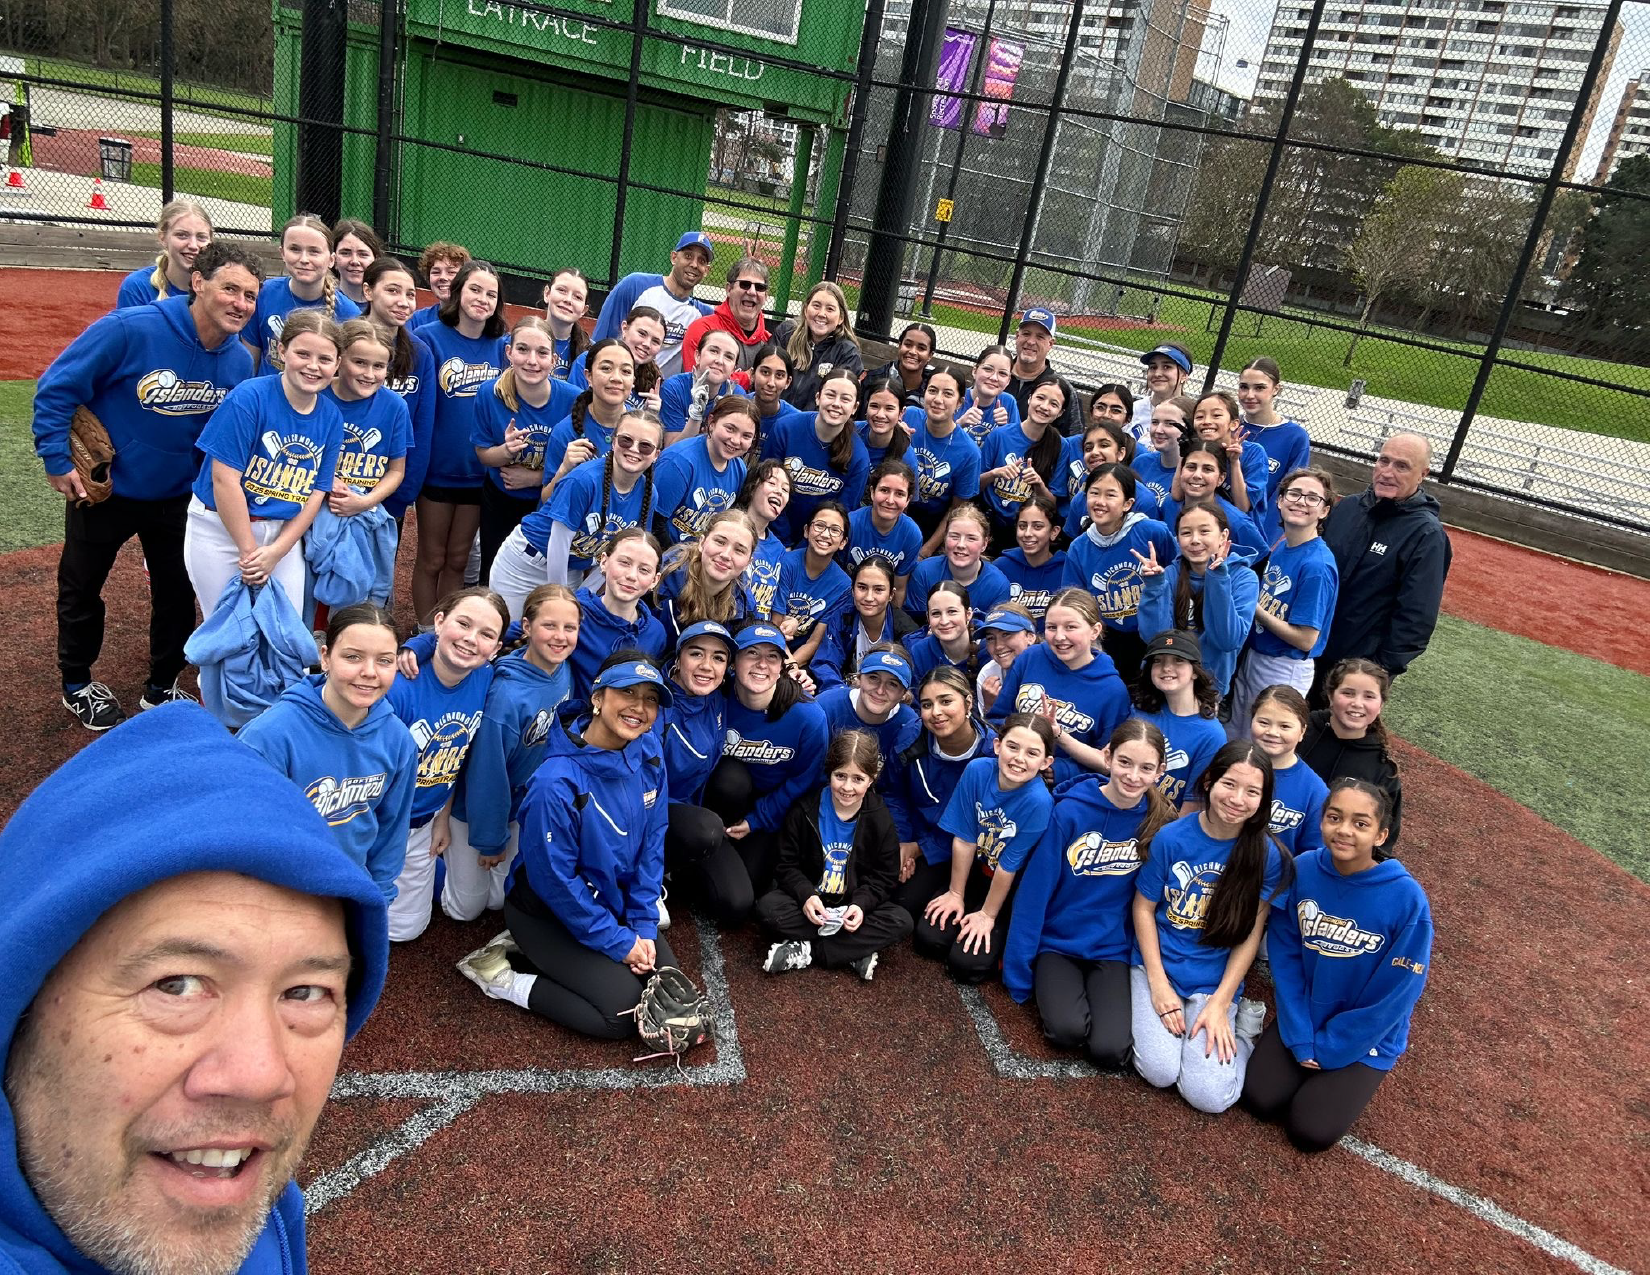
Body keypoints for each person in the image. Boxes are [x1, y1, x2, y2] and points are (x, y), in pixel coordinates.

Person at [0, 703, 389, 1275]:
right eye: (176, 985)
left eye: (306, 992)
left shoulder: (249, 1199)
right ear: (20, 1003)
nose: (260, 1077)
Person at [33, 241, 260, 729]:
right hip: (108, 488)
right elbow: (57, 387)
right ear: (198, 282)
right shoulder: (131, 328)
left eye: (250, 295)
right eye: (230, 289)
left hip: (178, 495)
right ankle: (77, 681)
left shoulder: (239, 362)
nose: (240, 303)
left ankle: (161, 685)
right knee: (82, 585)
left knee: (177, 592)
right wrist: (55, 457)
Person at [455, 655, 677, 1040]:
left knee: (666, 990)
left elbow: (653, 842)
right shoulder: (554, 783)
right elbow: (556, 881)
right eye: (627, 692)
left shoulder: (650, 750)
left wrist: (642, 922)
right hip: (547, 912)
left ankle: (557, 954)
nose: (639, 707)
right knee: (622, 1015)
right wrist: (618, 941)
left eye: (651, 699)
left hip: (610, 900)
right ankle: (499, 976)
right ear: (597, 698)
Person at [1242, 779, 1431, 1151]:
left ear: (1381, 835)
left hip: (1366, 1033)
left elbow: (1396, 993)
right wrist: (1300, 1032)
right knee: (1259, 1099)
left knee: (1309, 1132)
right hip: (1308, 1016)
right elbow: (1286, 958)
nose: (1344, 830)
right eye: (1334, 817)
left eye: (1360, 823)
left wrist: (1333, 1047)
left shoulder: (1407, 898)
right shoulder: (1303, 870)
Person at [1003, 719, 1176, 1068]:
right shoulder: (1069, 811)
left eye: (1146, 768)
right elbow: (1035, 893)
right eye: (1124, 762)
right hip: (1058, 943)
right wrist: (1018, 971)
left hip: (1112, 948)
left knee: (1110, 1051)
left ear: (1160, 772)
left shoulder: (1160, 824)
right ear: (1107, 757)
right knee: (1066, 1031)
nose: (1133, 776)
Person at [1131, 740, 1291, 1113]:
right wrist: (1158, 984)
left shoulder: (1266, 855)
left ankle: (1244, 1033)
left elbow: (1250, 934)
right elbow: (1143, 908)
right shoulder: (1172, 837)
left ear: (1264, 799)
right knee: (1158, 1070)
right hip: (1159, 966)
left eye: (1252, 791)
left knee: (1208, 1097)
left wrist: (1220, 1002)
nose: (1237, 799)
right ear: (1209, 782)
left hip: (1213, 980)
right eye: (1229, 784)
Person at [237, 602, 416, 901]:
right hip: (278, 893)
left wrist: (379, 895)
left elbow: (391, 830)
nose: (369, 672)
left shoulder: (397, 739)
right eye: (353, 657)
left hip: (350, 888)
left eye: (384, 660)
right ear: (325, 657)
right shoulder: (269, 737)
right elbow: (244, 834)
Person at [183, 310, 345, 622]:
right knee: (229, 631)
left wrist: (277, 551)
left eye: (325, 359)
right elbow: (224, 480)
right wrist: (249, 552)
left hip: (281, 534)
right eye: (302, 354)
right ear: (282, 351)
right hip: (220, 529)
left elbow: (317, 491)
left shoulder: (330, 416)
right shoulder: (249, 397)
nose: (313, 366)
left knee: (284, 631)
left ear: (337, 364)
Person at [441, 584, 577, 923]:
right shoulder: (505, 698)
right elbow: (487, 777)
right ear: (527, 627)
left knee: (500, 899)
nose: (560, 636)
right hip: (476, 811)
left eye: (570, 627)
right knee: (466, 911)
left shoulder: (563, 669)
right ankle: (434, 866)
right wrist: (491, 840)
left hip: (521, 805)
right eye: (549, 625)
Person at [383, 587, 507, 942]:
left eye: (486, 634)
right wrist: (417, 644)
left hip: (425, 819)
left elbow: (455, 758)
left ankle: (435, 871)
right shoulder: (398, 685)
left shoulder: (485, 678)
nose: (471, 638)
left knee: (405, 931)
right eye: (463, 624)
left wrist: (442, 817)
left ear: (496, 648)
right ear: (438, 621)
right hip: (380, 821)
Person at [756, 729, 914, 980]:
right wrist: (806, 896)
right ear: (829, 772)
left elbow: (884, 877)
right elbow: (785, 866)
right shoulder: (804, 810)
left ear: (872, 779)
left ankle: (809, 950)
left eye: (858, 779)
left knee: (900, 920)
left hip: (851, 904)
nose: (847, 787)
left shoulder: (880, 817)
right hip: (812, 904)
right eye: (840, 776)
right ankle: (853, 950)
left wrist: (860, 905)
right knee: (768, 908)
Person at [915, 714, 1056, 984]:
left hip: (1008, 886)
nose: (1019, 758)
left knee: (966, 965)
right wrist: (956, 894)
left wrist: (987, 915)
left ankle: (998, 938)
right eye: (1013, 746)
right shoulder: (978, 771)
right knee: (929, 939)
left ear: (1045, 762)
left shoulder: (1039, 801)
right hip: (976, 871)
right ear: (997, 745)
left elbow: (1008, 866)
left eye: (1032, 753)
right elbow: (965, 838)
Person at [1315, 432, 1452, 699]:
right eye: (1383, 461)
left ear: (1422, 475)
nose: (1387, 472)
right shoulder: (1348, 508)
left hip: (1358, 670)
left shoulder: (1426, 535)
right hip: (1309, 649)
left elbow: (1416, 618)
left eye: (1402, 466)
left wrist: (1378, 671)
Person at [410, 259, 509, 624]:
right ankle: (425, 629)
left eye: (491, 294)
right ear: (457, 292)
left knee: (457, 559)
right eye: (475, 290)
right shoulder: (429, 338)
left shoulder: (501, 346)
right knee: (432, 557)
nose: (482, 299)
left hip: (478, 472)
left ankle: (446, 628)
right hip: (437, 468)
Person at [702, 624, 830, 897]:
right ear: (733, 661)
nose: (762, 664)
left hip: (773, 806)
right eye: (752, 653)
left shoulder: (808, 717)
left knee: (749, 892)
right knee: (731, 778)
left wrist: (757, 819)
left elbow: (803, 782)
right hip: (722, 797)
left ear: (782, 666)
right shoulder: (714, 698)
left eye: (772, 656)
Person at [493, 410, 662, 610]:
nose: (634, 449)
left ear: (656, 455)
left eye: (645, 446)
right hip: (526, 565)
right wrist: (561, 600)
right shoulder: (584, 480)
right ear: (614, 442)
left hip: (571, 569)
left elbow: (616, 554)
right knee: (514, 626)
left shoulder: (649, 493)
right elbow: (558, 544)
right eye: (626, 440)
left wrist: (585, 593)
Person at [470, 316, 582, 582]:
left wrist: (534, 478)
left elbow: (581, 461)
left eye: (542, 352)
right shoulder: (490, 393)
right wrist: (506, 451)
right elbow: (483, 454)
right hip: (501, 499)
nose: (532, 360)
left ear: (554, 359)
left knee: (546, 579)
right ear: (509, 352)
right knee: (493, 574)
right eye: (522, 349)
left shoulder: (573, 399)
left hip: (551, 504)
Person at [1229, 467, 1339, 734]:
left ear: (1324, 511)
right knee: (1237, 737)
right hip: (1257, 656)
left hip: (1283, 666)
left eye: (1312, 498)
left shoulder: (1317, 565)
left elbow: (1306, 639)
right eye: (1294, 493)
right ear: (1279, 500)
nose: (1301, 501)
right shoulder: (1283, 545)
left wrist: (1253, 608)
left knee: (1263, 743)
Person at [989, 587, 1131, 785]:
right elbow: (997, 719)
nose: (1059, 636)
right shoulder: (1031, 657)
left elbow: (1109, 762)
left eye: (1070, 627)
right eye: (1052, 627)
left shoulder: (1113, 691)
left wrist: (1065, 769)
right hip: (1011, 770)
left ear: (1095, 630)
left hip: (1067, 788)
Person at [887, 666, 997, 916]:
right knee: (898, 897)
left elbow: (980, 824)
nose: (936, 712)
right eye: (927, 705)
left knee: (930, 924)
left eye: (946, 701)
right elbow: (894, 793)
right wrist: (903, 842)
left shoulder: (992, 755)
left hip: (970, 849)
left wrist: (921, 848)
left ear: (968, 703)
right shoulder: (910, 739)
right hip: (919, 836)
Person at [1061, 462, 1177, 683]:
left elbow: (1179, 569)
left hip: (1157, 631)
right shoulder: (1078, 548)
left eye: (1110, 495)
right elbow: (1075, 602)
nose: (1100, 501)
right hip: (1109, 639)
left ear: (1127, 504)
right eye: (1094, 493)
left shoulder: (1152, 531)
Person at [1137, 500, 1261, 699]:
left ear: (1223, 536)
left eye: (1204, 531)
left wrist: (1218, 579)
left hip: (1209, 687)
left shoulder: (1244, 578)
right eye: (1186, 533)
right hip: (1165, 682)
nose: (1195, 540)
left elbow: (1227, 640)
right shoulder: (1170, 574)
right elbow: (1155, 638)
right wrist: (1154, 586)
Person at [361, 257, 438, 528]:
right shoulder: (341, 340)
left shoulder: (420, 354)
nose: (403, 302)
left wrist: (404, 492)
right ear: (368, 291)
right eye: (392, 291)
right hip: (337, 486)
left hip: (390, 490)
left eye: (410, 294)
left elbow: (421, 427)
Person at [1299, 658, 1404, 853]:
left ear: (1380, 705)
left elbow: (1383, 844)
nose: (1357, 703)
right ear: (1331, 695)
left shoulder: (1382, 769)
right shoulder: (1300, 731)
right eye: (1348, 693)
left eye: (1369, 696)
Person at [320, 318, 410, 534]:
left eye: (378, 366)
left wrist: (364, 502)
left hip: (365, 511)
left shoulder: (395, 406)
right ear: (339, 360)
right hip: (313, 505)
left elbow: (396, 471)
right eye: (360, 362)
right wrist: (326, 480)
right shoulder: (317, 396)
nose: (369, 374)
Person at [762, 370, 869, 540]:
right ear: (818, 397)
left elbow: (841, 515)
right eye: (830, 395)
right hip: (770, 530)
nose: (836, 403)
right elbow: (764, 486)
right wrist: (784, 541)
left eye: (845, 399)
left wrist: (806, 549)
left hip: (819, 542)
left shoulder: (859, 456)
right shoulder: (786, 429)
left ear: (855, 408)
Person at [248, 214, 361, 374]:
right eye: (295, 249)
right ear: (282, 253)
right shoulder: (263, 294)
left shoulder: (349, 313)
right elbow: (250, 363)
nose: (304, 259)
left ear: (331, 260)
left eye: (314, 251)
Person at [592, 230, 714, 376]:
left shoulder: (702, 315)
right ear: (674, 257)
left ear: (706, 270)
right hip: (617, 380)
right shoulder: (636, 285)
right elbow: (602, 335)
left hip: (659, 389)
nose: (694, 264)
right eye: (688, 256)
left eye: (701, 261)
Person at [1130, 628, 1227, 812]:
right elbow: (1108, 762)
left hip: (1164, 823)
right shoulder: (1140, 710)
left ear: (1195, 671)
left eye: (1178, 660)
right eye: (1158, 661)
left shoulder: (1212, 735)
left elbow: (1193, 806)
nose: (1166, 667)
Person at [567, 528, 668, 696]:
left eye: (644, 570)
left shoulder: (656, 633)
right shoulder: (573, 612)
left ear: (654, 580)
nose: (631, 575)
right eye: (624, 563)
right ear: (604, 562)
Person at [652, 395, 756, 544]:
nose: (735, 440)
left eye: (746, 436)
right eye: (730, 429)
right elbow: (654, 525)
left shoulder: (739, 469)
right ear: (711, 422)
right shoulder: (679, 462)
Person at [810, 555, 919, 692]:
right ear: (852, 590)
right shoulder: (843, 617)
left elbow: (912, 682)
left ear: (891, 594)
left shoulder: (907, 633)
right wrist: (840, 691)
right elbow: (825, 663)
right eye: (862, 587)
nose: (869, 597)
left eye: (878, 590)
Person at [815, 645, 921, 786]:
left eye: (893, 684)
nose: (880, 691)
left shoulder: (909, 725)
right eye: (873, 678)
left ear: (903, 693)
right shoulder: (825, 707)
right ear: (859, 678)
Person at [978, 378, 1065, 551]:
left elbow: (1053, 505)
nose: (1044, 406)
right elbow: (974, 486)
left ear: (1060, 413)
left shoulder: (1061, 446)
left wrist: (1038, 484)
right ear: (1029, 398)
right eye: (1040, 398)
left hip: (1025, 530)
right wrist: (995, 473)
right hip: (988, 521)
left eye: (1053, 404)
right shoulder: (1000, 435)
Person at [655, 509, 758, 650]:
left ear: (748, 563)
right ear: (702, 543)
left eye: (739, 550)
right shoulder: (661, 578)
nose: (726, 555)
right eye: (720, 542)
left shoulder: (745, 605)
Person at [902, 367, 982, 547]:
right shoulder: (909, 416)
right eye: (932, 391)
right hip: (892, 510)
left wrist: (926, 551)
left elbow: (956, 510)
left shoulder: (969, 453)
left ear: (960, 403)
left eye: (947, 394)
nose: (938, 399)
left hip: (933, 528)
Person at [542, 339, 639, 487]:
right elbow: (546, 497)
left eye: (625, 371)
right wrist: (565, 469)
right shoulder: (565, 431)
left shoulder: (641, 428)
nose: (616, 378)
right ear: (589, 376)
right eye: (606, 368)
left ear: (633, 381)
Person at [1236, 357, 1311, 543]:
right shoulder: (1229, 425)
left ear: (1276, 389)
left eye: (1259, 388)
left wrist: (1264, 539)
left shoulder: (1294, 437)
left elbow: (1287, 493)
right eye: (1244, 387)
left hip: (1256, 535)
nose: (1249, 395)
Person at [1248, 684, 1328, 858]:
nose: (1272, 732)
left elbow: (1313, 855)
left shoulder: (1314, 791)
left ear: (1302, 731)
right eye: (1263, 723)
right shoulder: (1229, 767)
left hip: (1276, 873)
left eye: (1284, 726)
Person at [1158, 440, 1267, 557]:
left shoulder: (1238, 522)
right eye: (1191, 467)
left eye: (1207, 469)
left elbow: (1261, 560)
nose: (1197, 475)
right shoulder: (1169, 504)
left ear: (1221, 479)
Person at [776, 502, 853, 664]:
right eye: (819, 526)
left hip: (799, 658)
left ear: (843, 542)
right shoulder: (786, 563)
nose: (825, 534)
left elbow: (814, 641)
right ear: (806, 530)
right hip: (770, 642)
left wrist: (792, 667)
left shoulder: (843, 585)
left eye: (835, 530)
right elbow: (774, 623)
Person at [905, 504, 1012, 621]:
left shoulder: (998, 585)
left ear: (984, 544)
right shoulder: (924, 572)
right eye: (954, 536)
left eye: (971, 538)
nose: (961, 545)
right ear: (945, 538)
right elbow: (916, 625)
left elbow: (995, 630)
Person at [772, 281, 863, 409]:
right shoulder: (786, 334)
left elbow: (837, 401)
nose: (821, 314)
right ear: (805, 309)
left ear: (841, 318)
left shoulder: (847, 353)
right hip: (776, 413)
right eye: (816, 306)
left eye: (830, 309)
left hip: (816, 419)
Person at [845, 458, 922, 605]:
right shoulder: (851, 524)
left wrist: (892, 617)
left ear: (908, 500)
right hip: (847, 598)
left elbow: (899, 588)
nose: (890, 500)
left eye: (899, 494)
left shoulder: (911, 534)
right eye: (884, 490)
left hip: (882, 604)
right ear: (872, 492)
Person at [116, 198, 213, 307]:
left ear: (211, 241)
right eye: (182, 235)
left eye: (201, 237)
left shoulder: (220, 288)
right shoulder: (138, 287)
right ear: (162, 237)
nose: (193, 245)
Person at [1185, 390, 1268, 519]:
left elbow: (1243, 506)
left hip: (1238, 527)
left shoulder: (1253, 452)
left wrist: (1234, 462)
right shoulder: (1196, 450)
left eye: (1216, 415)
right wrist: (1184, 453)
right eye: (1200, 417)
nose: (1206, 421)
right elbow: (1176, 495)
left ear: (1234, 424)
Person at [569, 304, 666, 413]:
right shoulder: (589, 360)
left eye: (655, 341)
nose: (647, 344)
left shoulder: (655, 382)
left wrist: (647, 416)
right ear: (624, 328)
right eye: (642, 334)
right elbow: (572, 409)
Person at [682, 256, 771, 373]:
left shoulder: (769, 341)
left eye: (760, 287)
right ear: (729, 289)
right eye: (745, 284)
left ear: (766, 296)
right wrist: (749, 377)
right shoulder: (702, 329)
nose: (752, 292)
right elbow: (697, 379)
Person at [1005, 307, 1082, 438]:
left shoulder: (1061, 389)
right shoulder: (996, 377)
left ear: (1050, 344)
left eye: (1040, 337)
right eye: (1026, 334)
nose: (1030, 342)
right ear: (1017, 336)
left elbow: (1073, 438)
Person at [735, 458, 793, 616]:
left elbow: (778, 606)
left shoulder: (779, 550)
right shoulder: (727, 529)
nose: (779, 491)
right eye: (772, 483)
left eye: (785, 489)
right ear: (752, 488)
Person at [995, 494, 1066, 622]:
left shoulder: (1067, 569)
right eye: (1022, 526)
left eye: (1037, 526)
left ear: (1054, 532)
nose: (1027, 533)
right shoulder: (1000, 568)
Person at [905, 579, 983, 686]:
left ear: (968, 614)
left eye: (952, 611)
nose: (944, 621)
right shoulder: (919, 653)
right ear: (928, 617)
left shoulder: (989, 647)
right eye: (936, 613)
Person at [1130, 394, 1194, 511]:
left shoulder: (1192, 475)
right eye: (1155, 422)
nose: (1158, 430)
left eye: (1169, 423)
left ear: (1189, 428)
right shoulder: (1141, 462)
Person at [975, 604, 1039, 715]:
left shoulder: (1051, 667)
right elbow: (989, 725)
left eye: (1006, 634)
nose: (998, 646)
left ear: (1030, 637)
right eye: (990, 638)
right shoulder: (988, 674)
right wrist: (990, 707)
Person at [956, 345, 1022, 445]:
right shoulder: (957, 397)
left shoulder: (1008, 402)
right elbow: (936, 440)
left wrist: (1007, 429)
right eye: (988, 369)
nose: (994, 378)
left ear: (1008, 381)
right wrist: (959, 425)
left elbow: (1016, 445)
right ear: (975, 371)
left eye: (1002, 373)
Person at [861, 321, 936, 409]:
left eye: (921, 348)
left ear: (930, 355)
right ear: (900, 346)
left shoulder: (935, 388)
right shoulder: (872, 380)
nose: (912, 352)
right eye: (908, 345)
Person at [1131, 342, 1193, 440]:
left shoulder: (1192, 415)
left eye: (1166, 367)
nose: (1157, 374)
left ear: (1184, 376)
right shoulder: (1134, 409)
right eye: (1153, 367)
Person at [407, 240, 471, 332]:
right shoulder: (416, 321)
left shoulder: (477, 321)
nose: (443, 277)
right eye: (436, 272)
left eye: (451, 272)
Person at [857, 374, 913, 476]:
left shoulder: (906, 456)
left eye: (889, 408)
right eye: (874, 406)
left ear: (901, 413)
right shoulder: (852, 431)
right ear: (866, 406)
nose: (880, 415)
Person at [539, 266, 591, 377]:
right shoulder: (519, 339)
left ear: (584, 310)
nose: (568, 300)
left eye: (577, 297)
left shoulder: (591, 352)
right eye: (562, 290)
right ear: (547, 294)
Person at [748, 342, 803, 444]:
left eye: (779, 375)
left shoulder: (795, 420)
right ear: (752, 374)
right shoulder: (735, 408)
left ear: (788, 382)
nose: (771, 383)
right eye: (765, 372)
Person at [331, 218, 384, 307]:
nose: (354, 261)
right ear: (333, 259)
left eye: (363, 254)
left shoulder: (386, 306)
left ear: (376, 259)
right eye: (345, 253)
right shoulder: (322, 302)